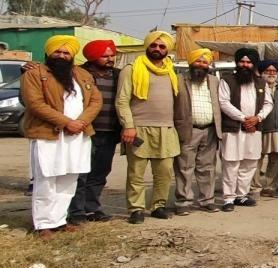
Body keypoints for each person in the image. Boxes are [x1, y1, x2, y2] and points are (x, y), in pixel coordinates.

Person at [22, 35, 100, 238]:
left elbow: (95, 102)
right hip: (48, 133)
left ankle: (59, 220)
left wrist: (81, 122)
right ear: (49, 52)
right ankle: (43, 224)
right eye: (58, 51)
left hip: (78, 134)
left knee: (69, 178)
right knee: (47, 178)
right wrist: (67, 122)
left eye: (66, 53)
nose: (62, 55)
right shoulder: (35, 74)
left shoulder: (82, 74)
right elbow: (35, 103)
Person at [117, 31, 181, 223]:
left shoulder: (171, 71)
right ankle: (136, 208)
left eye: (162, 46)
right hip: (139, 129)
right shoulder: (131, 69)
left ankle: (158, 206)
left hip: (166, 129)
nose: (157, 49)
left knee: (164, 172)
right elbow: (122, 100)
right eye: (154, 45)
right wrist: (128, 126)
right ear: (147, 46)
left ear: (167, 50)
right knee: (136, 172)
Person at [67, 39, 120, 223]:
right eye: (105, 56)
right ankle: (76, 211)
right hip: (85, 131)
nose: (110, 59)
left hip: (110, 131)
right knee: (81, 173)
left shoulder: (118, 75)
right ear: (92, 56)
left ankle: (92, 208)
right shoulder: (78, 74)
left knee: (100, 173)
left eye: (112, 55)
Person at [217, 48, 274, 212]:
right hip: (234, 129)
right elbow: (224, 103)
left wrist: (258, 118)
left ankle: (241, 195)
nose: (245, 65)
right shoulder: (227, 80)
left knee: (249, 163)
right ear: (237, 62)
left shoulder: (261, 82)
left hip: (254, 129)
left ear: (254, 64)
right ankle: (228, 198)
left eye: (248, 62)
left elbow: (268, 103)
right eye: (242, 61)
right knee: (231, 163)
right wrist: (244, 119)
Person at [172, 48, 221, 214]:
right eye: (198, 61)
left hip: (210, 130)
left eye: (204, 62)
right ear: (190, 63)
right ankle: (183, 202)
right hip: (187, 130)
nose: (201, 64)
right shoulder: (179, 80)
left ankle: (207, 200)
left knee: (207, 167)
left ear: (209, 65)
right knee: (184, 167)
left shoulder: (214, 81)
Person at [252, 59, 278, 198]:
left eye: (273, 71)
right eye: (267, 71)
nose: (271, 73)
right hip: (260, 127)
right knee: (256, 157)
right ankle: (254, 186)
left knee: (276, 157)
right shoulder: (256, 86)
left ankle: (271, 186)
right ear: (262, 73)